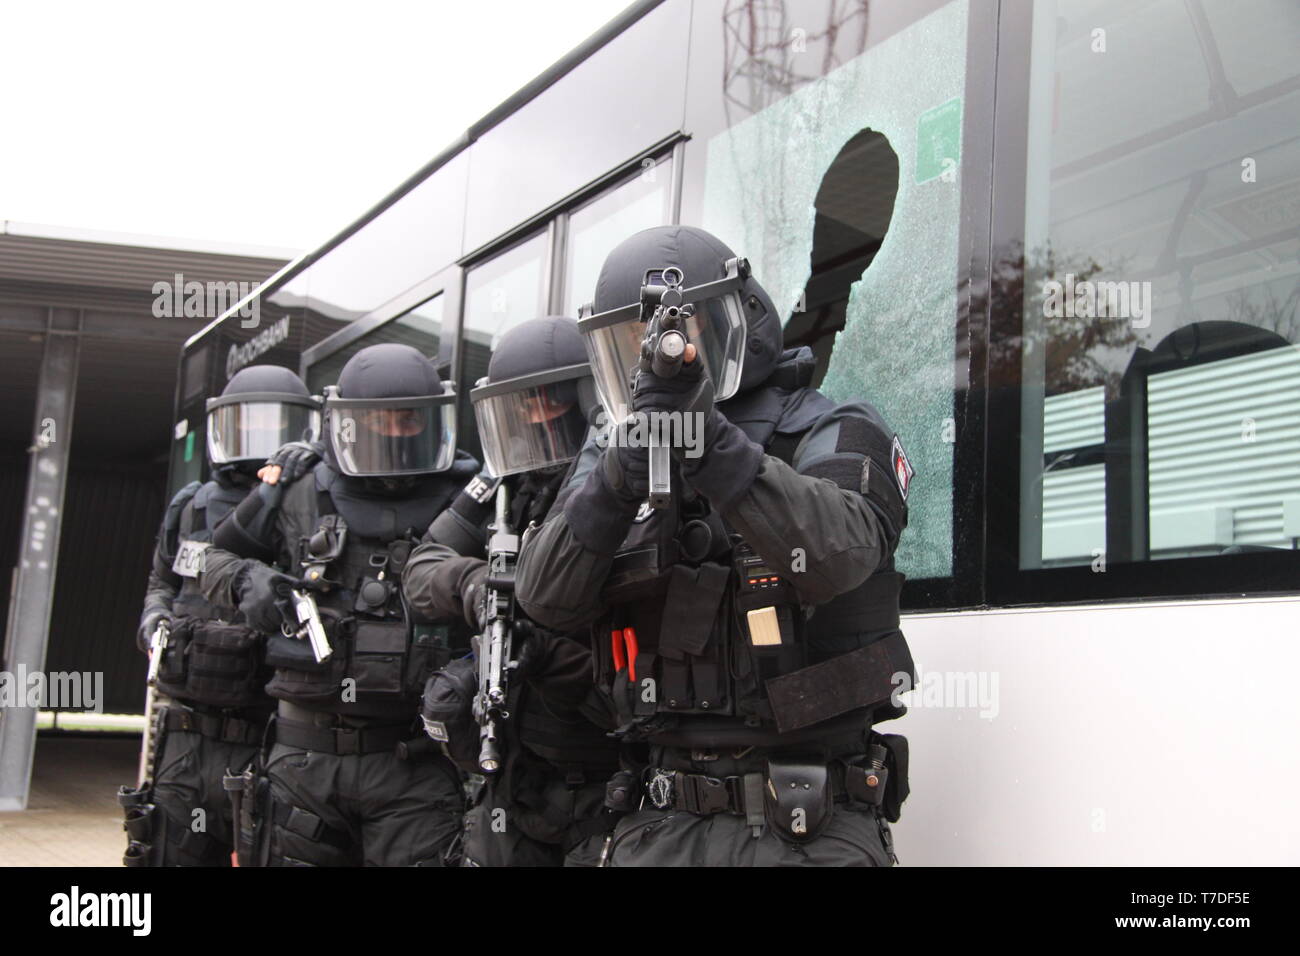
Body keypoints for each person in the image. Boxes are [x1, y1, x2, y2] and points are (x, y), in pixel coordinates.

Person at [514, 225, 916, 866]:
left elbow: (841, 550)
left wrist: (707, 441)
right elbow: (544, 597)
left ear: (741, 322)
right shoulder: (614, 450)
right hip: (662, 820)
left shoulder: (830, 425)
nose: (654, 355)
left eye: (680, 330)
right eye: (627, 345)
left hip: (808, 823)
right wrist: (621, 473)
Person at [196, 343, 479, 866]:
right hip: (304, 759)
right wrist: (246, 581)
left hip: (417, 763)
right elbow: (211, 560)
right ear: (346, 422)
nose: (396, 432)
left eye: (409, 420)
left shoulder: (470, 497)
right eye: (382, 420)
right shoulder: (296, 487)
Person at [402, 316, 621, 866]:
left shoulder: (619, 482)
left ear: (584, 394)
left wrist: (549, 654)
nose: (530, 416)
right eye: (517, 404)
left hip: (608, 772)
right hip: (515, 774)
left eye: (544, 400)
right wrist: (475, 586)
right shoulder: (506, 486)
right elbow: (422, 567)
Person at [120, 364, 321, 866]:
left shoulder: (308, 508)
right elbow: (161, 582)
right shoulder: (192, 505)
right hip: (186, 735)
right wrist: (153, 620)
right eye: (246, 424)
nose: (257, 438)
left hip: (267, 734)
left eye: (272, 425)